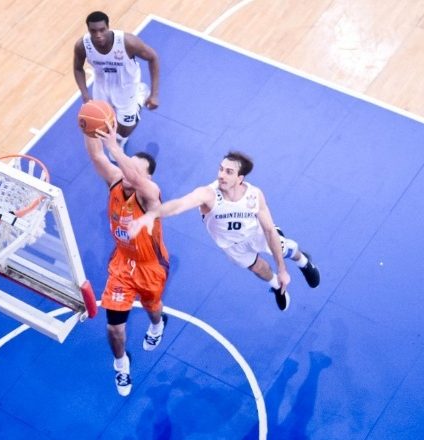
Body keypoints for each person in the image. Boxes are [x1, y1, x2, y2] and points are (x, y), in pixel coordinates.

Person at [129, 151, 320, 311]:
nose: (221, 175)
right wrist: (151, 215)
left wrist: (282, 269)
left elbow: (269, 230)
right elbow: (179, 205)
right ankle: (277, 286)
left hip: (257, 234)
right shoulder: (208, 194)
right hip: (232, 246)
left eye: (229, 172)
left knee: (286, 249)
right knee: (258, 268)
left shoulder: (254, 195)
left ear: (240, 178)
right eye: (221, 169)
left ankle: (304, 262)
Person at [83, 122, 169, 397]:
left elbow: (138, 179)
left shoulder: (151, 196)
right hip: (122, 265)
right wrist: (89, 129)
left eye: (136, 170)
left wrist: (113, 147)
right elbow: (97, 157)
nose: (127, 172)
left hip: (150, 267)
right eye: (127, 166)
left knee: (153, 307)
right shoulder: (116, 181)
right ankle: (121, 364)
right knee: (114, 327)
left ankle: (157, 323)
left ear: (148, 178)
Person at [73, 11, 160, 149]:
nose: (98, 35)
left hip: (127, 88)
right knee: (103, 125)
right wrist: (84, 94)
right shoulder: (82, 45)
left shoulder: (128, 42)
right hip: (101, 87)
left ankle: (140, 97)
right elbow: (78, 68)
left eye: (102, 30)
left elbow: (153, 57)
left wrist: (154, 94)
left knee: (125, 131)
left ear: (108, 27)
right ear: (88, 30)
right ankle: (117, 141)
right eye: (93, 31)